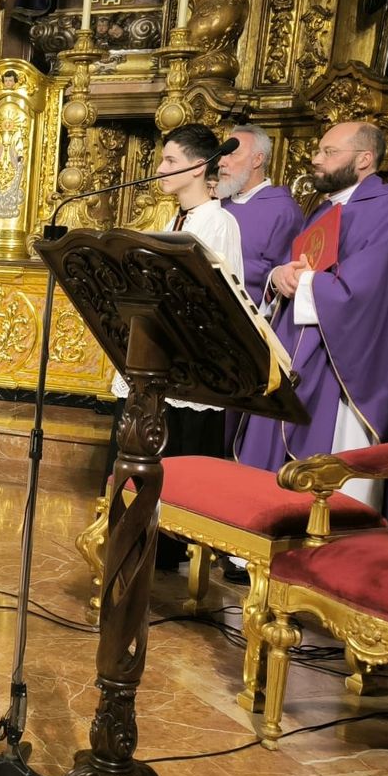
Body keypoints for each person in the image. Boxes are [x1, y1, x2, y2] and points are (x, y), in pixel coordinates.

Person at [235, 122, 388, 517]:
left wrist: (305, 283)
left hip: (347, 362)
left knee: (332, 469)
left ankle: (326, 531)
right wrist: (280, 277)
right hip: (304, 345)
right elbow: (299, 267)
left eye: (328, 152)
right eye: (318, 151)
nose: (315, 159)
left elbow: (365, 293)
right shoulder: (328, 208)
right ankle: (267, 527)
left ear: (364, 159)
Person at [104, 124, 244, 569]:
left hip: (185, 367)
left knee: (176, 460)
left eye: (170, 161)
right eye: (162, 160)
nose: (161, 169)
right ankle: (136, 538)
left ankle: (161, 547)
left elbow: (210, 298)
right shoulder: (176, 219)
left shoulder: (217, 223)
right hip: (155, 361)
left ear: (200, 166)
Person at [215, 124, 304, 303]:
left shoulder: (283, 210)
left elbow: (281, 275)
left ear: (257, 160)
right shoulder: (220, 205)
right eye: (224, 154)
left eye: (232, 154)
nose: (221, 162)